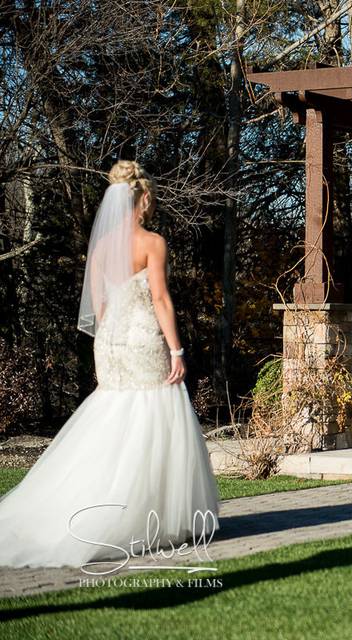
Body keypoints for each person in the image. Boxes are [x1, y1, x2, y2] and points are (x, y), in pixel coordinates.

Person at [0, 160, 220, 569]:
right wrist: (176, 349)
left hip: (111, 341)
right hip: (141, 338)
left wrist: (106, 344)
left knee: (114, 417)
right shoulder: (152, 242)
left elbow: (100, 305)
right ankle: (146, 517)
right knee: (152, 417)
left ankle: (94, 506)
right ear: (143, 200)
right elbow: (160, 300)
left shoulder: (102, 246)